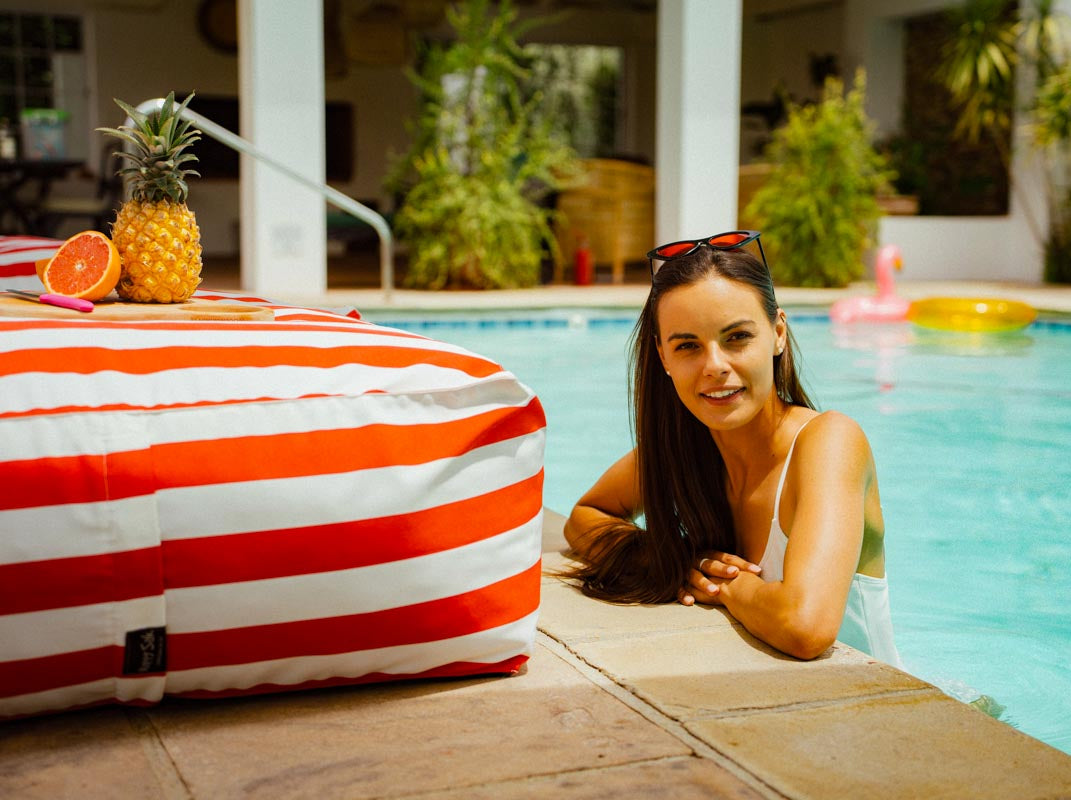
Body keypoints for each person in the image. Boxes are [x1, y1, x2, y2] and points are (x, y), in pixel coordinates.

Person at [562, 231, 901, 666]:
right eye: (687, 346)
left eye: (737, 337)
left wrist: (726, 585)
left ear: (778, 333)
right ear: (663, 357)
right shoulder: (685, 449)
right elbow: (584, 519)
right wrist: (681, 562)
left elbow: (806, 627)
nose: (715, 366)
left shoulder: (828, 442)